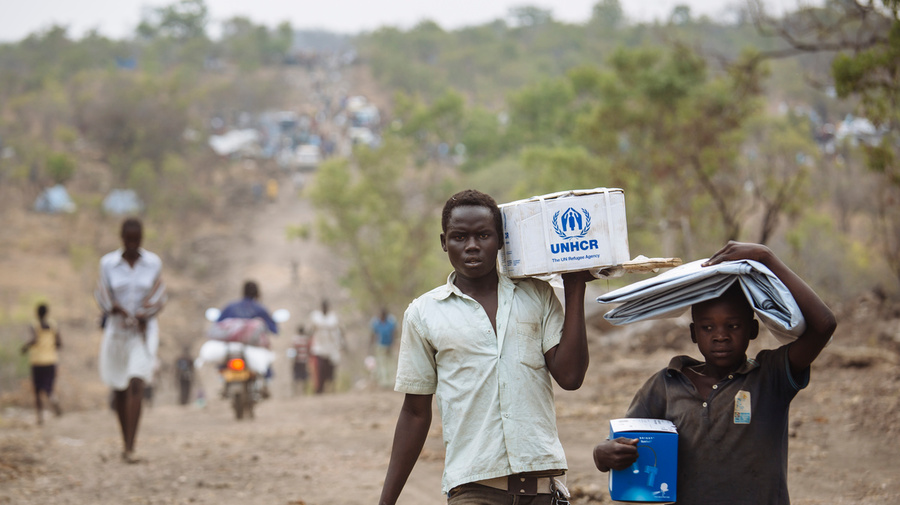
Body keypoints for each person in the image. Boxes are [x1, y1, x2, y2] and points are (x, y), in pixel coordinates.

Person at [379, 189, 597, 505]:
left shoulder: (536, 294)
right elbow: (414, 413)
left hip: (542, 490)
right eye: (459, 237)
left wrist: (574, 287)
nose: (471, 246)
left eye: (483, 235)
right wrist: (387, 501)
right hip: (473, 489)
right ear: (444, 242)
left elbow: (571, 376)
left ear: (501, 240)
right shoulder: (424, 314)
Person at [592, 241, 837, 505]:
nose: (721, 336)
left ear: (753, 330)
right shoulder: (666, 383)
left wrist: (765, 257)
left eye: (733, 325)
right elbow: (623, 443)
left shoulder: (770, 376)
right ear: (693, 333)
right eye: (708, 328)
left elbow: (824, 326)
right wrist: (601, 454)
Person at [95, 217, 167, 464]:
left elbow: (159, 294)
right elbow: (103, 294)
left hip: (143, 333)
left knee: (137, 381)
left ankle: (130, 445)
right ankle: (124, 438)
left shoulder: (153, 263)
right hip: (117, 333)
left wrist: (143, 313)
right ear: (122, 238)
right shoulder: (108, 264)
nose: (134, 244)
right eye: (130, 239)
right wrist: (116, 309)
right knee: (120, 387)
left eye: (138, 240)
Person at [216, 280, 279, 395]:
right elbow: (273, 328)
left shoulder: (231, 307)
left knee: (223, 362)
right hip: (253, 346)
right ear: (257, 293)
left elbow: (218, 323)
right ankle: (265, 383)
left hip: (232, 348)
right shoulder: (260, 309)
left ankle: (222, 383)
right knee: (266, 360)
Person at [21, 303, 62, 425]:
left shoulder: (34, 325)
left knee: (37, 390)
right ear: (47, 313)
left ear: (37, 313)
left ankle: (40, 417)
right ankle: (53, 399)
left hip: (38, 361)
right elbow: (59, 343)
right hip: (51, 360)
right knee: (49, 388)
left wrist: (25, 347)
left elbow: (34, 339)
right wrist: (50, 347)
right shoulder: (53, 326)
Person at [308, 299, 345, 394]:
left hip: (331, 347)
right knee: (319, 369)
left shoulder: (333, 317)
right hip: (319, 347)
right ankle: (319, 388)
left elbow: (339, 331)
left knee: (330, 370)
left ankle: (330, 388)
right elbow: (311, 330)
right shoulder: (316, 316)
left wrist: (341, 344)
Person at [369, 308, 397, 389]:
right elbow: (373, 334)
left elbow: (394, 333)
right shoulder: (376, 322)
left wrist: (392, 344)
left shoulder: (391, 321)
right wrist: (371, 346)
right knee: (382, 364)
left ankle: (391, 382)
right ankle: (383, 383)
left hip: (390, 345)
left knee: (390, 364)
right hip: (380, 346)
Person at [287, 325, 311, 396]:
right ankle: (304, 392)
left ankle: (296, 393)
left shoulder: (295, 339)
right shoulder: (306, 339)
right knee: (304, 377)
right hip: (304, 360)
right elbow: (309, 350)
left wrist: (292, 360)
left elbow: (293, 350)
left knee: (296, 377)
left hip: (297, 361)